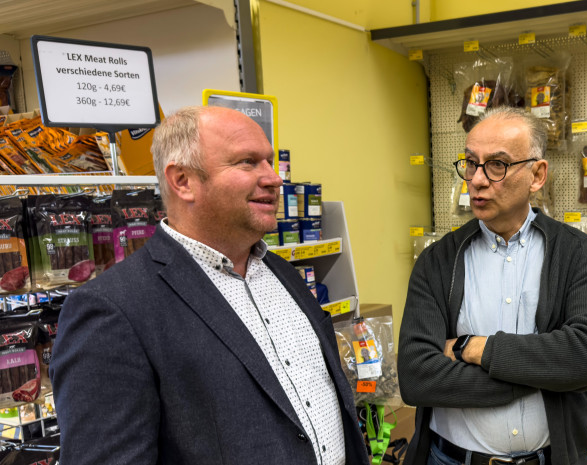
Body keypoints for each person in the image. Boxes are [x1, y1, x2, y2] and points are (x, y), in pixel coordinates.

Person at [51, 106, 368, 464]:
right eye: (248, 162)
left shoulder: (282, 272)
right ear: (183, 180)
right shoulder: (112, 309)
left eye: (269, 161)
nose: (274, 178)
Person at [398, 106, 587, 465]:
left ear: (537, 174)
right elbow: (417, 376)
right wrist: (540, 375)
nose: (477, 180)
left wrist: (473, 348)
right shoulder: (437, 262)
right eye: (471, 162)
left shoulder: (578, 253)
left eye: (497, 164)